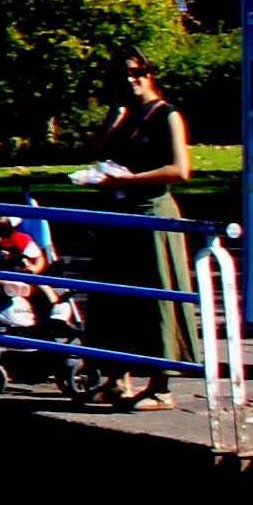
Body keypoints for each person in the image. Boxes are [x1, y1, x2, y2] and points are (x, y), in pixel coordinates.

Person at [64, 49, 194, 406]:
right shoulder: (124, 114)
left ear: (147, 72)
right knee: (113, 296)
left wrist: (133, 180)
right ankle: (117, 378)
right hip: (117, 214)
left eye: (134, 73)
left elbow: (180, 170)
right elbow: (92, 154)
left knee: (157, 296)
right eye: (120, 76)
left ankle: (160, 385)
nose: (128, 81)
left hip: (151, 213)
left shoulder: (167, 115)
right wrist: (111, 123)